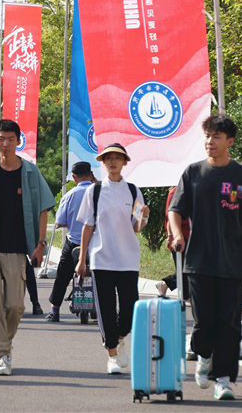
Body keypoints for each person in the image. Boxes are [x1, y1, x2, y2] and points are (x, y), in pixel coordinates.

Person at [168, 115, 242, 400]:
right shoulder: (193, 173)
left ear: (230, 142)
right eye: (207, 136)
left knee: (229, 322)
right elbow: (175, 210)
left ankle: (223, 379)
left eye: (216, 137)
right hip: (199, 261)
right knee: (204, 321)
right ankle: (203, 355)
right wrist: (178, 235)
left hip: (235, 263)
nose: (210, 142)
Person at [0, 119, 56, 376]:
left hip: (18, 247)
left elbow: (43, 209)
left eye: (10, 139)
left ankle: (2, 344)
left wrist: (40, 245)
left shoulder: (29, 172)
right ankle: (3, 355)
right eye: (1, 139)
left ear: (18, 141)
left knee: (16, 305)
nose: (5, 144)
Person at [75, 145, 149, 374]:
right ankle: (113, 356)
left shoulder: (134, 190)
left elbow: (137, 228)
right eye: (109, 159)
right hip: (101, 258)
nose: (113, 162)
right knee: (105, 309)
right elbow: (88, 225)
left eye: (118, 158)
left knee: (130, 309)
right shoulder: (94, 192)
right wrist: (81, 259)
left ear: (125, 162)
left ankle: (118, 337)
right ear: (103, 162)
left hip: (128, 258)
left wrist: (143, 217)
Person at [45, 161, 95, 322]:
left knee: (62, 276)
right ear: (91, 174)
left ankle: (55, 311)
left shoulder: (70, 195)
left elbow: (60, 221)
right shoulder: (100, 193)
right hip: (96, 245)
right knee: (104, 277)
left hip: (74, 243)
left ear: (74, 178)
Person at [156, 186, 190, 303]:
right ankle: (186, 296)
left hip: (194, 234)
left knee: (189, 267)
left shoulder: (196, 188)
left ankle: (165, 284)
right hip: (180, 234)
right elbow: (170, 216)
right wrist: (170, 236)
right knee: (185, 267)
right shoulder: (175, 192)